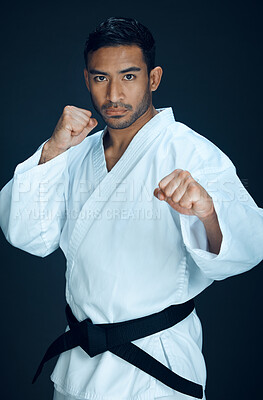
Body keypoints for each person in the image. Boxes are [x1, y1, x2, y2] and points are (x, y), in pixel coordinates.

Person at [0, 16, 263, 400]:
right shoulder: (75, 152)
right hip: (80, 368)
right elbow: (27, 235)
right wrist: (54, 150)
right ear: (87, 78)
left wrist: (207, 211)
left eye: (128, 76)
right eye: (100, 78)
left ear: (153, 78)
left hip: (155, 374)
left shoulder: (189, 151)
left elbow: (250, 246)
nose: (113, 96)